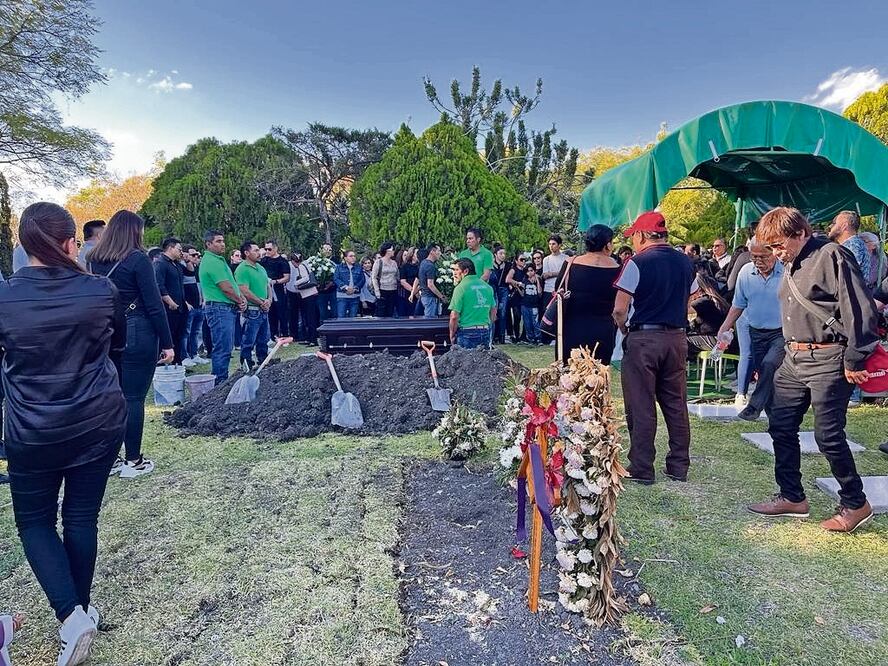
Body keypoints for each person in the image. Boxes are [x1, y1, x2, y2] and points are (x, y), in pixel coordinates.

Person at [0, 202, 127, 664]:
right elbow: (119, 346)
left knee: (34, 521)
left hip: (32, 428)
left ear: (23, 245)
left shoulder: (5, 296)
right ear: (72, 241)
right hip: (97, 419)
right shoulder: (102, 290)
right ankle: (79, 610)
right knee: (79, 517)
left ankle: (72, 615)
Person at [748, 207, 877, 532]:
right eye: (772, 247)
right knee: (780, 423)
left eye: (779, 245)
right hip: (795, 357)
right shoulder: (791, 263)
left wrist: (854, 358)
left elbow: (858, 306)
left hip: (829, 357)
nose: (776, 253)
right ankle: (792, 496)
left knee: (828, 435)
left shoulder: (832, 256)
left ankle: (855, 502)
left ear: (800, 233)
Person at [89, 211, 174, 478]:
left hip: (107, 332)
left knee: (110, 398)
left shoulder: (94, 260)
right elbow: (154, 304)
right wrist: (168, 343)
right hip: (137, 330)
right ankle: (133, 460)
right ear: (134, 231)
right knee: (133, 398)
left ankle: (111, 458)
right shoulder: (138, 259)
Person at [613, 212, 696, 485]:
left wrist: (625, 329)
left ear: (641, 235)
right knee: (675, 403)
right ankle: (678, 465)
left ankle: (642, 466)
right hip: (676, 337)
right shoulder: (686, 262)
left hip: (644, 338)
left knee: (641, 403)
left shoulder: (636, 262)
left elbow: (619, 308)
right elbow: (692, 297)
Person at [716, 237, 784, 421]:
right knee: (763, 370)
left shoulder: (786, 271)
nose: (759, 262)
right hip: (756, 330)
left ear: (775, 253)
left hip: (781, 332)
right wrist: (724, 328)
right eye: (754, 257)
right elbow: (738, 304)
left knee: (770, 364)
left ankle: (754, 407)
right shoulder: (746, 272)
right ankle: (774, 414)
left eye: (764, 257)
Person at [557, 224, 619, 364]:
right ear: (608, 245)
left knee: (569, 378)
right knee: (597, 379)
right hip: (603, 330)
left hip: (571, 328)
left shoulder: (570, 263)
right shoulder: (618, 269)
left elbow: (558, 290)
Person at [198, 230, 247, 384]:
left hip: (225, 307)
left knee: (225, 347)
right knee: (222, 348)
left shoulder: (218, 260)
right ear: (208, 244)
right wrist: (239, 300)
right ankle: (220, 382)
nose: (222, 244)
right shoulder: (211, 261)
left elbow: (231, 284)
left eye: (223, 240)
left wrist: (240, 298)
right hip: (219, 308)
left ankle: (221, 380)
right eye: (218, 241)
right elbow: (225, 287)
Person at [235, 242, 272, 370]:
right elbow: (244, 290)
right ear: (247, 253)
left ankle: (263, 361)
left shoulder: (261, 268)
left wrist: (269, 300)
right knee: (248, 340)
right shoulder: (242, 269)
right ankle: (246, 365)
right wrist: (261, 302)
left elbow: (268, 286)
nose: (259, 253)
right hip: (252, 311)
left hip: (263, 310)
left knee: (264, 339)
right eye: (255, 250)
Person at [449, 258, 497, 349]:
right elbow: (493, 311)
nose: (454, 273)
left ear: (466, 271)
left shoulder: (460, 288)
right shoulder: (487, 287)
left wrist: (452, 334)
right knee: (483, 362)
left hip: (466, 333)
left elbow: (454, 316)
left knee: (466, 362)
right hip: (485, 331)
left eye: (456, 270)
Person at [155, 237, 187, 364]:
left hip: (180, 308)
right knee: (169, 337)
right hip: (169, 308)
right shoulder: (160, 263)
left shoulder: (177, 265)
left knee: (180, 337)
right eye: (179, 249)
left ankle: (178, 363)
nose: (181, 252)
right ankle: (164, 365)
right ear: (170, 248)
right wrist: (170, 301)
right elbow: (159, 285)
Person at [686, 274, 731, 354]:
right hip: (723, 341)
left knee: (681, 341)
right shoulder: (713, 300)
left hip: (715, 341)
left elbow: (683, 311)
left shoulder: (701, 302)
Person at [180, 245, 209, 368]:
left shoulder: (195, 269)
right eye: (193, 255)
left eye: (197, 254)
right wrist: (185, 302)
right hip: (189, 306)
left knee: (196, 332)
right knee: (186, 332)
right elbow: (179, 288)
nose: (197, 257)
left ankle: (194, 354)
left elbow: (200, 286)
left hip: (199, 305)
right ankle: (184, 356)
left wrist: (203, 299)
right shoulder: (180, 268)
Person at [828, 211, 871, 290]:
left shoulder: (853, 245)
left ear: (844, 226)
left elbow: (845, 275)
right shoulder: (853, 244)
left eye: (834, 223)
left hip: (852, 298)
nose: (830, 226)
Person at [260, 240, 290, 338]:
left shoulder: (282, 261)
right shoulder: (264, 260)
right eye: (266, 249)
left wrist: (275, 281)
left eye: (269, 249)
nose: (267, 251)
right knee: (271, 313)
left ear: (275, 249)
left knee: (282, 313)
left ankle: (285, 334)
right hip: (266, 290)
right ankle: (273, 336)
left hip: (278, 290)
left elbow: (287, 277)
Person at [289, 254, 319, 345]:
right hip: (309, 294)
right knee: (308, 317)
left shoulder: (301, 266)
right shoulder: (306, 264)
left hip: (308, 294)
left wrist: (296, 283)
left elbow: (306, 278)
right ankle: (309, 338)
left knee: (310, 317)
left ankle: (312, 339)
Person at [505, 252, 530, 343]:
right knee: (517, 316)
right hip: (515, 296)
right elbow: (508, 279)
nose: (523, 261)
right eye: (521, 259)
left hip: (523, 296)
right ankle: (515, 336)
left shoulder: (525, 270)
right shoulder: (513, 270)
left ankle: (523, 336)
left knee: (524, 316)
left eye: (525, 260)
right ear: (516, 261)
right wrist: (518, 283)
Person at [542, 235, 567, 320]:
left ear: (559, 245)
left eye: (553, 244)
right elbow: (545, 275)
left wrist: (552, 273)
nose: (551, 246)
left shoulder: (566, 258)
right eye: (550, 244)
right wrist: (559, 273)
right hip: (548, 290)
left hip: (561, 290)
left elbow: (566, 274)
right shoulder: (546, 259)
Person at [333, 249, 365, 318]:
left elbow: (362, 280)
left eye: (354, 256)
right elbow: (336, 279)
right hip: (342, 296)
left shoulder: (358, 267)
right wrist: (345, 287)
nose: (353, 257)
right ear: (345, 258)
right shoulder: (339, 267)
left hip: (355, 296)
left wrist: (355, 288)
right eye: (351, 256)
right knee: (341, 317)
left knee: (353, 318)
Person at [371, 242, 400, 317]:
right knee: (381, 312)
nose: (394, 251)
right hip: (382, 290)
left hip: (393, 289)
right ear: (387, 251)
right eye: (392, 250)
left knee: (391, 311)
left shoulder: (394, 263)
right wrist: (377, 291)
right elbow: (374, 277)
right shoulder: (378, 262)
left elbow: (397, 276)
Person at [418, 244, 447, 318]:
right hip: (430, 297)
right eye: (439, 251)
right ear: (432, 251)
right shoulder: (430, 266)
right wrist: (441, 297)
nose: (440, 253)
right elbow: (430, 284)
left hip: (424, 296)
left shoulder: (423, 262)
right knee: (430, 321)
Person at [520, 263, 543, 344]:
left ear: (534, 271)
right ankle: (530, 338)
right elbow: (522, 294)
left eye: (531, 271)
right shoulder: (524, 280)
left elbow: (540, 293)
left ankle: (538, 338)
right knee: (527, 323)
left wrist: (537, 281)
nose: (529, 273)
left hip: (534, 305)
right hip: (525, 304)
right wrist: (517, 287)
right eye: (527, 271)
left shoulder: (538, 280)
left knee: (535, 322)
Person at [316, 242, 337, 323]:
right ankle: (323, 333)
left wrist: (331, 282)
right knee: (323, 313)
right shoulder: (316, 261)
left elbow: (338, 275)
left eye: (330, 250)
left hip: (333, 290)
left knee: (335, 312)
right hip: (321, 291)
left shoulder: (335, 261)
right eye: (326, 249)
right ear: (321, 250)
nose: (328, 251)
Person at [396, 246, 420, 317]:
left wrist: (416, 291)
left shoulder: (420, 266)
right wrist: (413, 291)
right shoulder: (405, 266)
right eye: (416, 253)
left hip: (418, 292)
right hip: (406, 293)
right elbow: (403, 281)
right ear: (412, 255)